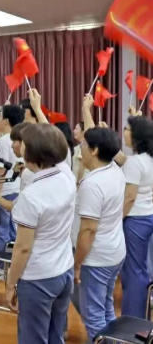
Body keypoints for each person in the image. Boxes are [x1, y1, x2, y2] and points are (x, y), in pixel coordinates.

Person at [6, 124, 75, 344]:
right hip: (64, 270)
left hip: (39, 277)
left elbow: (22, 248)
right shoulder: (66, 175)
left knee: (33, 338)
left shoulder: (32, 195)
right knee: (56, 336)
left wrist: (10, 283)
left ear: (33, 152)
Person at [73, 127, 126, 341]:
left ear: (94, 150)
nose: (80, 150)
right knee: (106, 308)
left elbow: (88, 230)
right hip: (115, 251)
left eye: (84, 145)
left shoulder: (93, 184)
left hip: (97, 258)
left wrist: (77, 264)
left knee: (94, 316)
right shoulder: (115, 170)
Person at [120, 115, 153, 318]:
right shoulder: (148, 159)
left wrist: (116, 220)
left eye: (127, 129)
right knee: (142, 269)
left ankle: (132, 320)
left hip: (135, 220)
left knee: (133, 272)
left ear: (137, 136)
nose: (124, 132)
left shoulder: (134, 162)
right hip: (148, 215)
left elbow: (129, 197)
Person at [0, 105, 25, 257]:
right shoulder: (22, 138)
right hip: (17, 188)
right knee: (13, 230)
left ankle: (1, 263)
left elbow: (1, 170)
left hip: (5, 191)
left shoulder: (4, 140)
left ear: (5, 121)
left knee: (2, 231)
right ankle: (11, 260)